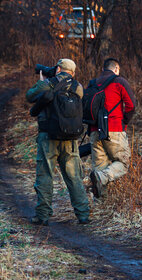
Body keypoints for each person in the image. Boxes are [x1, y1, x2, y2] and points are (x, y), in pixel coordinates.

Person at [26, 59, 90, 225]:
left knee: (45, 174)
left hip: (48, 136)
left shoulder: (48, 83)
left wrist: (41, 82)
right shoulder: (78, 87)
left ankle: (43, 215)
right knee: (74, 176)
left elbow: (30, 96)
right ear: (73, 73)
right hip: (70, 137)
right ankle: (83, 214)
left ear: (58, 69)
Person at [88, 58, 136, 198]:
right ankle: (101, 178)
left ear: (103, 69)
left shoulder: (93, 83)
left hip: (94, 131)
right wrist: (124, 122)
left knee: (99, 167)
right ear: (116, 69)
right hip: (114, 129)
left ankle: (101, 205)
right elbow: (131, 105)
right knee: (123, 163)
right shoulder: (119, 81)